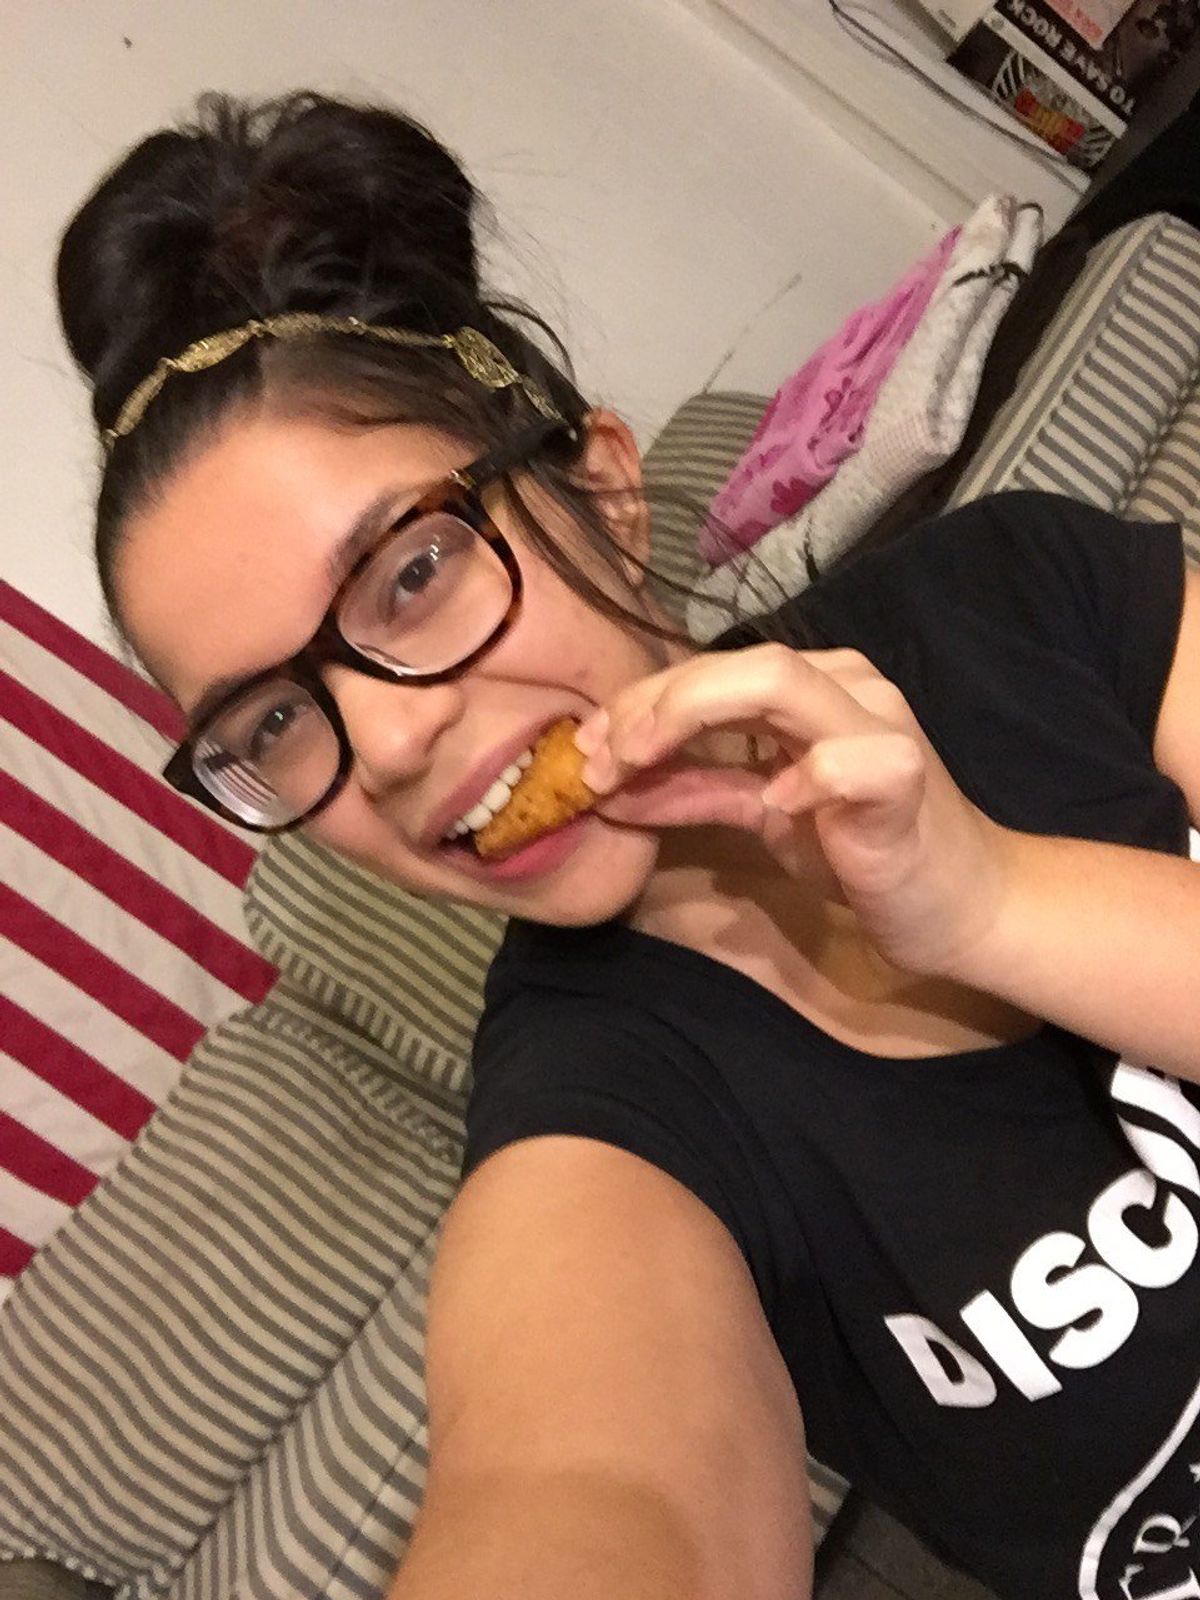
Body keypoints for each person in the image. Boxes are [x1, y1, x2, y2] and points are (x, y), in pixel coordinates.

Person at [55, 91, 1200, 1600]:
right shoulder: (591, 1125)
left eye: (413, 571)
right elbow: (586, 1491)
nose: (381, 748)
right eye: (268, 723)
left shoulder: (1014, 595)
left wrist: (995, 903)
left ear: (602, 488)